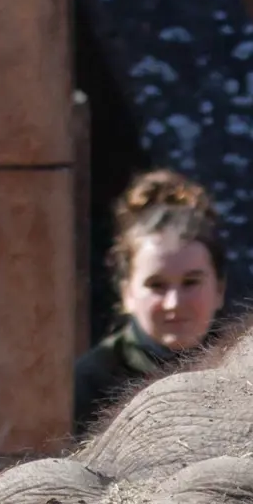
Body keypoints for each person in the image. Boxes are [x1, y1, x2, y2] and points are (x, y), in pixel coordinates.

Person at [74, 170, 226, 431]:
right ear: (127, 293)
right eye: (156, 286)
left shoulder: (245, 365)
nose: (173, 303)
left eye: (191, 283)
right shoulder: (93, 380)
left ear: (220, 289)